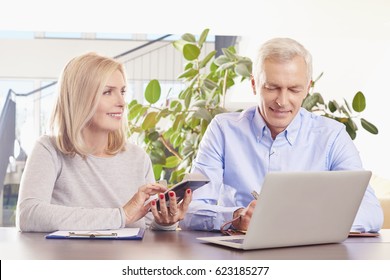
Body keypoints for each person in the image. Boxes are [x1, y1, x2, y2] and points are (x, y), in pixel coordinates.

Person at [179, 38, 383, 233]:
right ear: (254, 85)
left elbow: (371, 212)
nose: (282, 101)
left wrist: (298, 220)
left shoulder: (332, 135)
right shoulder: (223, 130)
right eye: (272, 87)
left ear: (307, 89)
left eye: (294, 89)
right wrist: (237, 217)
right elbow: (190, 210)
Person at [16, 52, 192, 232]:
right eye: (107, 92)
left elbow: (147, 225)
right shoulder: (49, 149)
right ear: (80, 98)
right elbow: (28, 215)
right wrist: (121, 215)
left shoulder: (138, 158)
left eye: (122, 91)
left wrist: (165, 223)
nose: (122, 102)